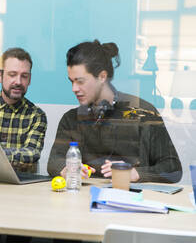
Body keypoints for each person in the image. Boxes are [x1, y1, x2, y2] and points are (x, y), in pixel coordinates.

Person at [48, 40, 182, 183]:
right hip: (82, 198)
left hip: (131, 198)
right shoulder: (71, 119)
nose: (74, 88)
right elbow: (54, 162)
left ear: (102, 77)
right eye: (71, 81)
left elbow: (173, 169)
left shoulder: (143, 113)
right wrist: (66, 169)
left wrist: (135, 173)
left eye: (80, 81)